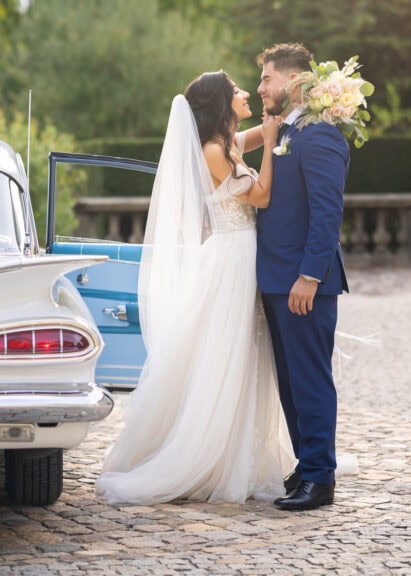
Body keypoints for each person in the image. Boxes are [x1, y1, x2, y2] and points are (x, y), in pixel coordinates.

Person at [96, 71, 293, 504]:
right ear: (221, 101)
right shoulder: (213, 151)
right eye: (237, 90)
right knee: (228, 351)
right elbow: (261, 196)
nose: (246, 93)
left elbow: (265, 131)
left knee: (244, 351)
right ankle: (207, 457)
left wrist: (285, 116)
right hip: (232, 257)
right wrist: (272, 144)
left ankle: (237, 454)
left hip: (242, 253)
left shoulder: (228, 142)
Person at [255, 43, 350, 511]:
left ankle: (320, 478)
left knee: (310, 380)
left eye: (267, 78)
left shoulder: (320, 135)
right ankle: (306, 464)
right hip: (277, 279)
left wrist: (310, 275)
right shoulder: (288, 130)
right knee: (291, 383)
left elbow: (327, 213)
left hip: (303, 281)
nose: (260, 88)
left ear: (293, 81)